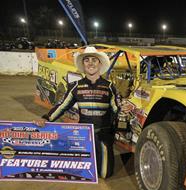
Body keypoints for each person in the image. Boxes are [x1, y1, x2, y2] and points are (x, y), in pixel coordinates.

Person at [34, 46, 121, 179]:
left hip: (104, 134)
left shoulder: (110, 86)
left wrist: (122, 111)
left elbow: (116, 108)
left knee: (105, 174)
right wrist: (46, 118)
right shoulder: (75, 86)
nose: (90, 63)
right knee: (85, 173)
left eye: (94, 60)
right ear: (83, 64)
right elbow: (62, 106)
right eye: (87, 60)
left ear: (99, 63)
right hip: (84, 134)